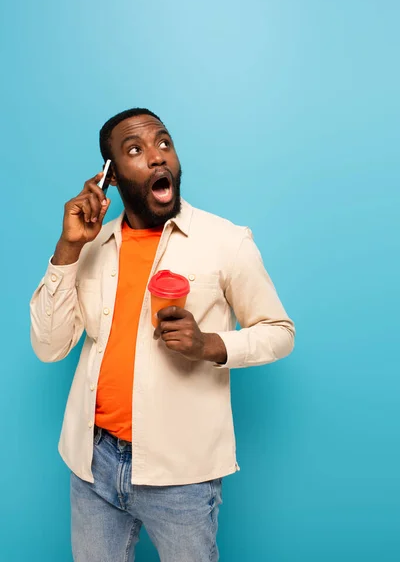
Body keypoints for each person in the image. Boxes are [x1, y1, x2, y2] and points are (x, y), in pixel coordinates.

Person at [30, 107, 295, 562]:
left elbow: (280, 332)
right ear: (109, 177)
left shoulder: (226, 242)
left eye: (164, 143)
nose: (157, 157)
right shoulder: (91, 246)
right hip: (93, 463)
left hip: (181, 473)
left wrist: (211, 344)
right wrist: (69, 246)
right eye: (135, 150)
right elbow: (50, 347)